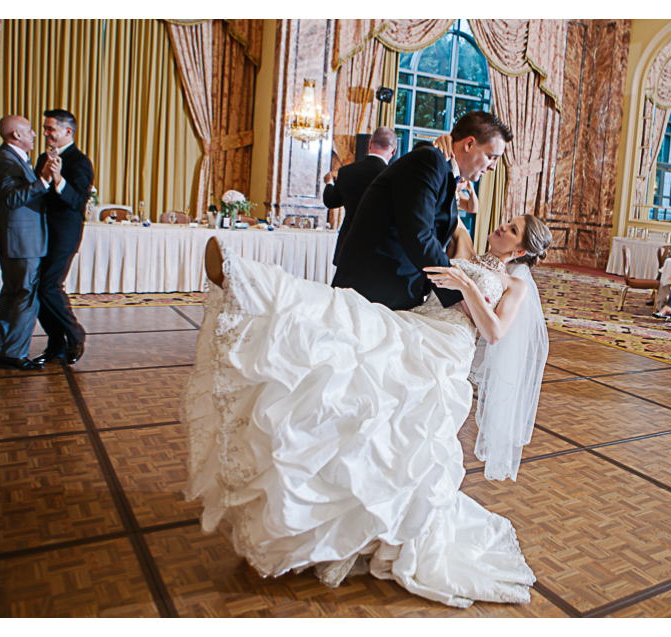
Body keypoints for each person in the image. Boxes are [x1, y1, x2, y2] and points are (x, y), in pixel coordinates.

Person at [183, 214, 552, 608]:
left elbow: (494, 332)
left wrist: (466, 287)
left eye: (512, 230)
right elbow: (450, 214)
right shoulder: (465, 250)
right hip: (416, 322)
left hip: (447, 347)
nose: (501, 228)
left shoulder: (515, 286)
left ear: (522, 249)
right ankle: (248, 282)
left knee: (391, 421)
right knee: (347, 327)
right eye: (506, 222)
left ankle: (370, 524)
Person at [331, 111, 512, 311]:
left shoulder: (445, 173)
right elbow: (419, 234)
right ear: (469, 144)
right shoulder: (429, 161)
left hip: (394, 287)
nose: (493, 167)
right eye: (491, 157)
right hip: (371, 290)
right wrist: (462, 293)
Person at [0, 115, 53, 371]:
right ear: (16, 135)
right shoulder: (4, 160)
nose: (35, 134)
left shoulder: (4, 157)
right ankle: (14, 353)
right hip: (21, 240)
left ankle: (2, 349)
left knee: (11, 295)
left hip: (16, 239)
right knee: (24, 295)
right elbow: (11, 199)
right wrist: (43, 181)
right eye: (30, 130)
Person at [31, 109, 93, 365]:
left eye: (50, 129)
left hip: (64, 235)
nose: (45, 134)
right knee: (37, 289)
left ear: (67, 131)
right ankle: (55, 344)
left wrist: (58, 180)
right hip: (39, 233)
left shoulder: (80, 162)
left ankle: (76, 334)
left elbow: (78, 201)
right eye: (44, 128)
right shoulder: (43, 158)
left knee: (48, 286)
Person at [324, 127, 397, 265]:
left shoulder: (346, 171)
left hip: (347, 247)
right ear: (394, 150)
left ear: (369, 144)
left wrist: (329, 183)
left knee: (342, 287)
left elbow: (331, 201)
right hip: (378, 250)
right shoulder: (394, 177)